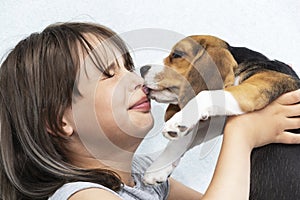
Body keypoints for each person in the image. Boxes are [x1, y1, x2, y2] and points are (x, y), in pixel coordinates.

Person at [0, 22, 300, 200]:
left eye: (128, 66)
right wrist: (240, 134)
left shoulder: (143, 176)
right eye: (108, 73)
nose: (134, 79)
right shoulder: (84, 195)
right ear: (59, 121)